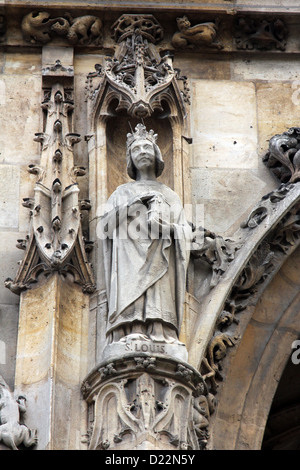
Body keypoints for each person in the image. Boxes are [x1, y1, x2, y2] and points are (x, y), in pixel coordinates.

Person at [100, 124, 192, 344]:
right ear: (130, 159)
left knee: (159, 293)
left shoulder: (169, 194)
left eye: (146, 147)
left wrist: (166, 228)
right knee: (132, 295)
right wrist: (132, 205)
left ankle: (160, 330)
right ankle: (132, 328)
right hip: (128, 259)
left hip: (160, 255)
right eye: (136, 149)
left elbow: (184, 230)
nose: (142, 151)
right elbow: (105, 227)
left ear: (156, 154)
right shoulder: (121, 192)